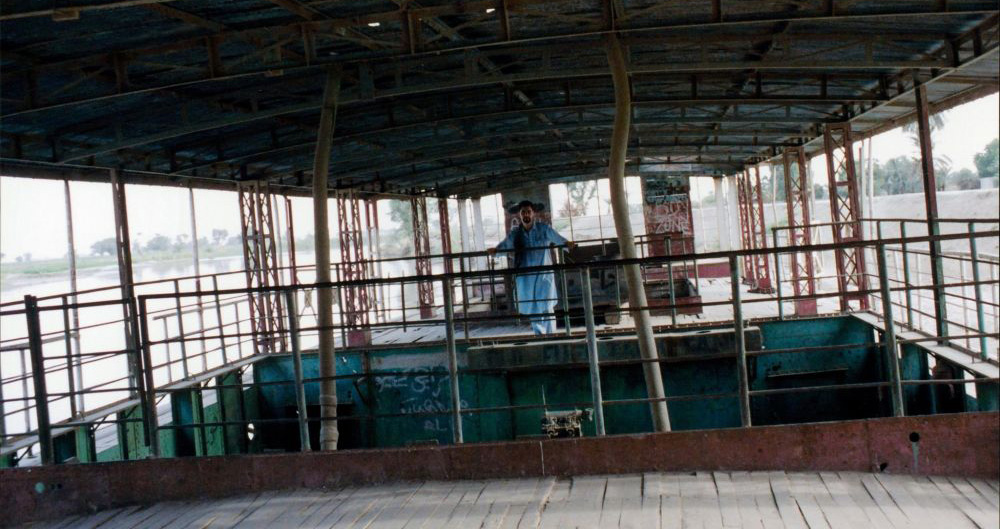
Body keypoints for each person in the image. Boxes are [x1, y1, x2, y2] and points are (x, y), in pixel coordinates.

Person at [488, 200, 576, 335]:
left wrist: (567, 244)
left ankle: (551, 336)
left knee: (546, 307)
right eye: (523, 212)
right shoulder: (516, 234)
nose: (526, 215)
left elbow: (557, 238)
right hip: (526, 278)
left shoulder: (543, 229)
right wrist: (495, 251)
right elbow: (504, 246)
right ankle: (540, 336)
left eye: (528, 211)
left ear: (533, 213)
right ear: (519, 215)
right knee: (533, 308)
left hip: (543, 276)